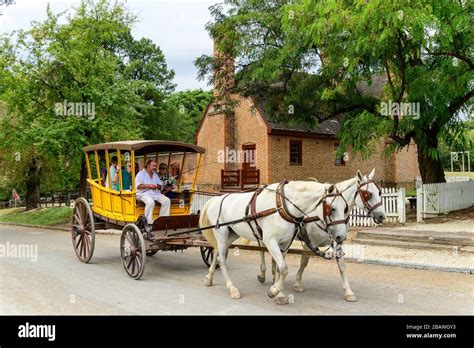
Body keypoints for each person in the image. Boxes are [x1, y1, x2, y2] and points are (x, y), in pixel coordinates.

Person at [135, 160, 171, 238]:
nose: (155, 168)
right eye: (153, 166)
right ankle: (148, 223)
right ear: (148, 166)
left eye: (155, 166)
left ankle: (162, 221)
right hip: (143, 194)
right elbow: (138, 186)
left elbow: (160, 186)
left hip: (155, 194)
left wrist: (158, 186)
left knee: (167, 200)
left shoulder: (155, 175)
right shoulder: (140, 174)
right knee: (150, 202)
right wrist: (149, 186)